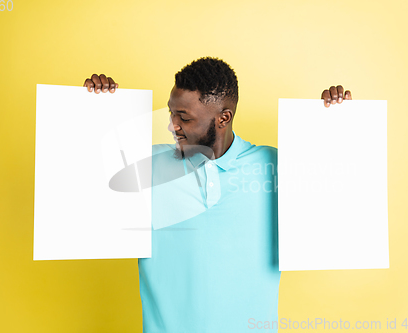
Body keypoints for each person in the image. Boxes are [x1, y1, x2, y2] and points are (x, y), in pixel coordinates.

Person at [83, 57, 351, 333]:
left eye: (184, 118)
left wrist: (334, 123)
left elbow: (340, 198)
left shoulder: (276, 168)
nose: (172, 125)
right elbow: (82, 184)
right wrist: (97, 108)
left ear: (224, 118)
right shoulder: (148, 165)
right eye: (171, 114)